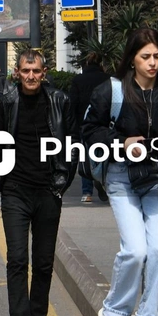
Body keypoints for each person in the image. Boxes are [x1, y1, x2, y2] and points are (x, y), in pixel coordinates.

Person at [84, 27, 158, 316]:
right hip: (121, 177)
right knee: (134, 250)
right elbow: (89, 131)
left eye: (157, 56)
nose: (152, 63)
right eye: (146, 57)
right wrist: (121, 141)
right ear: (132, 59)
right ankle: (115, 312)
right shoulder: (111, 92)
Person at [0, 49, 74, 316]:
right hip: (16, 191)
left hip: (49, 191)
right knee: (18, 260)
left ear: (43, 72)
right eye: (25, 71)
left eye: (36, 71)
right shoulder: (6, 102)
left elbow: (71, 145)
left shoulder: (59, 100)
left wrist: (62, 183)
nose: (31, 76)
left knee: (44, 262)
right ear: (17, 73)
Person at [69, 51, 110, 203]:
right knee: (104, 155)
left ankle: (87, 192)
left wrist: (72, 124)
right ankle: (102, 181)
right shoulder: (108, 79)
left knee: (85, 157)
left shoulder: (78, 80)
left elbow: (73, 103)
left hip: (83, 124)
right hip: (104, 124)